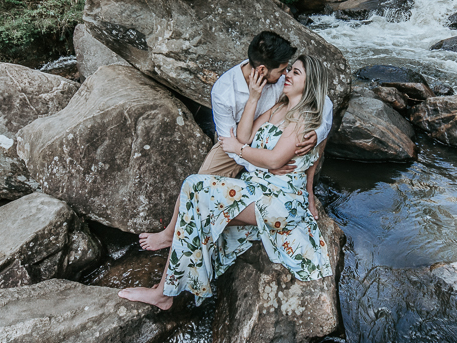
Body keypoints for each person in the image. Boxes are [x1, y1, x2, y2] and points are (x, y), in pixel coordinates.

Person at [118, 55, 333, 310]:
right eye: (289, 70)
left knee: (196, 190)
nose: (288, 75)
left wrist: (240, 151)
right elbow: (244, 135)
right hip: (260, 188)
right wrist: (253, 98)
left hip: (280, 200)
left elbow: (275, 159)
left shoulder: (305, 120)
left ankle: (164, 292)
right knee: (196, 195)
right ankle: (167, 287)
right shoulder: (278, 108)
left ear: (310, 84)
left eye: (296, 73)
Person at [198, 30, 333, 180]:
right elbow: (230, 142)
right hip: (235, 141)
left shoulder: (283, 80)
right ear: (262, 70)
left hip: (273, 139)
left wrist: (318, 133)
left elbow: (323, 101)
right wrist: (264, 167)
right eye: (282, 70)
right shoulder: (223, 92)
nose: (285, 74)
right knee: (200, 182)